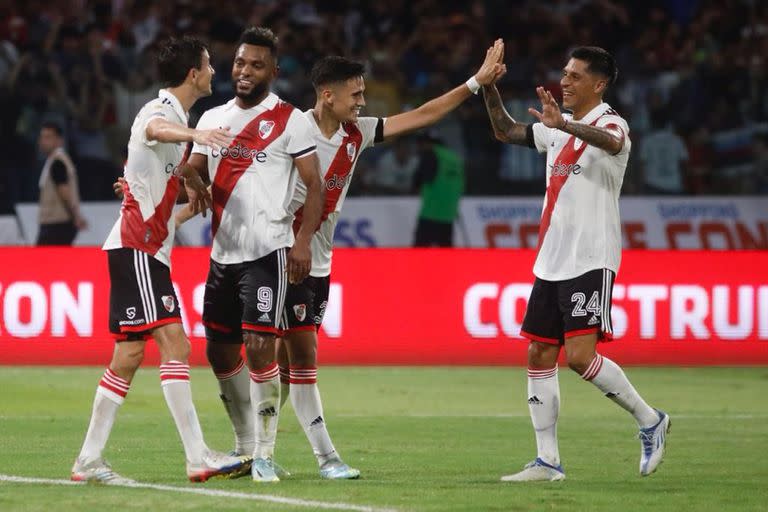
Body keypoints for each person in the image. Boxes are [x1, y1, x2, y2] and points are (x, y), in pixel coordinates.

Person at [175, 43, 505, 481]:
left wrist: (474, 84)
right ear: (327, 94)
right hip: (285, 258)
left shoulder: (358, 133)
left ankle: (259, 446)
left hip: (320, 265)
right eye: (356, 94)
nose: (363, 102)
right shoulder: (290, 129)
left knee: (292, 364)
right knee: (295, 353)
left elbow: (423, 114)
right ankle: (307, 455)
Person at [481, 46, 670, 481]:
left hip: (591, 256)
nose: (564, 82)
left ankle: (650, 420)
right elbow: (505, 131)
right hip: (552, 259)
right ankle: (547, 462)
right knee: (539, 350)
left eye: (575, 76)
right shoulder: (555, 128)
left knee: (580, 357)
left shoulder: (610, 122)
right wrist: (488, 87)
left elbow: (614, 143)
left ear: (599, 85)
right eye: (564, 73)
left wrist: (565, 123)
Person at [71, 36, 249, 485]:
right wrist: (196, 137)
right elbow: (152, 129)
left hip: (143, 248)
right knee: (177, 344)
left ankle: (88, 461)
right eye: (209, 65)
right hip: (139, 251)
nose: (213, 71)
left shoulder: (178, 117)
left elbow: (161, 203)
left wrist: (193, 195)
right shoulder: (162, 110)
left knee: (129, 355)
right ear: (193, 74)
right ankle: (196, 456)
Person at [180, 27, 324, 484]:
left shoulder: (291, 118)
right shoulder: (210, 118)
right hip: (223, 253)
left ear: (273, 71)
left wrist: (302, 243)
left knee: (261, 345)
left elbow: (314, 185)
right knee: (219, 351)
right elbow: (195, 170)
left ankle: (264, 453)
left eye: (256, 65)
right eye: (240, 63)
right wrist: (191, 179)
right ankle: (244, 446)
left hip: (268, 251)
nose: (245, 71)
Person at [36, 121, 87, 245]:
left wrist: (76, 216)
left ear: (59, 140)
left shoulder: (57, 162)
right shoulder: (57, 160)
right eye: (42, 137)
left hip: (56, 224)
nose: (43, 141)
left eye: (48, 137)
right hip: (58, 223)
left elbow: (64, 191)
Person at [412, 131, 465, 247]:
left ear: (426, 143)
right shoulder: (455, 159)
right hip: (448, 215)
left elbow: (420, 180)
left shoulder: (430, 155)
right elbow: (462, 186)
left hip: (430, 213)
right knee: (445, 258)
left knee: (418, 258)